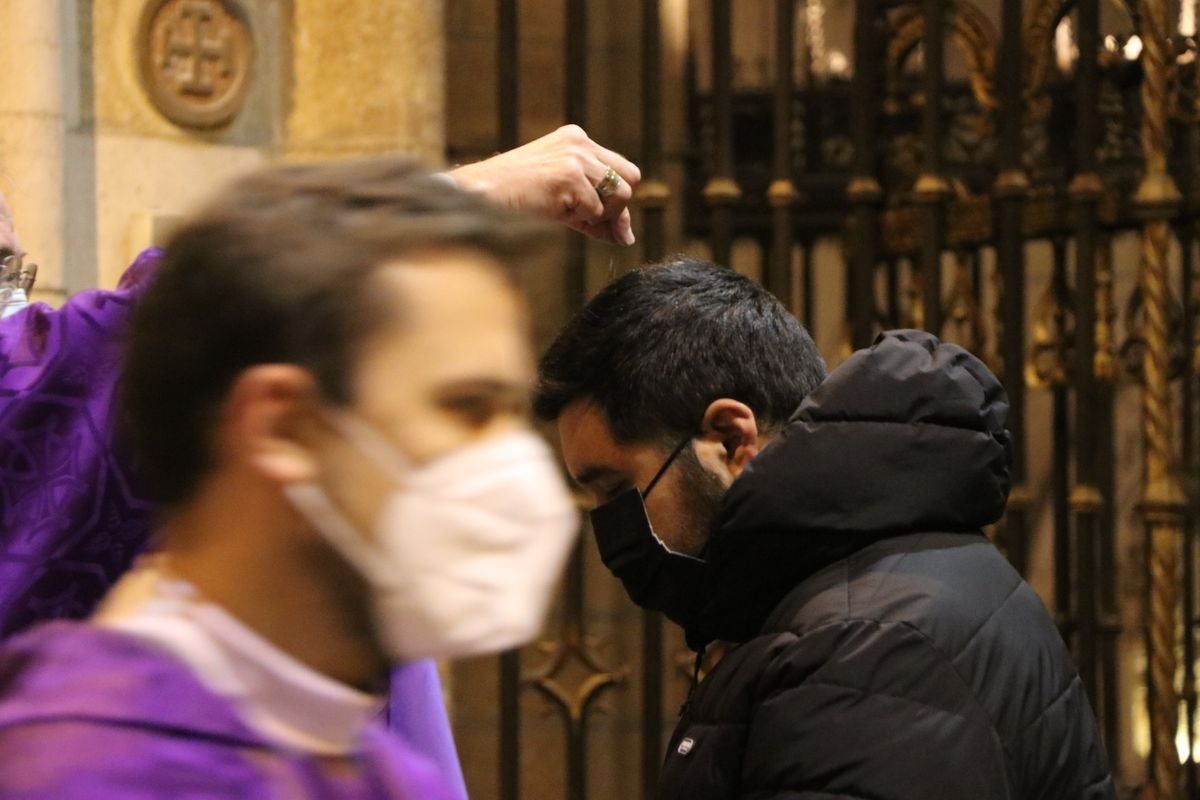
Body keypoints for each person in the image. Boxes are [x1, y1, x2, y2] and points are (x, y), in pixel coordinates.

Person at [0, 136, 636, 798]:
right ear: (281, 426)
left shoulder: (364, 762)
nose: (510, 462)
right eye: (464, 407)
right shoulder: (84, 770)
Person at [533, 257, 1115, 800]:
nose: (608, 529)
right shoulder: (861, 595)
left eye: (615, 489)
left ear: (731, 441)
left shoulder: (863, 647)